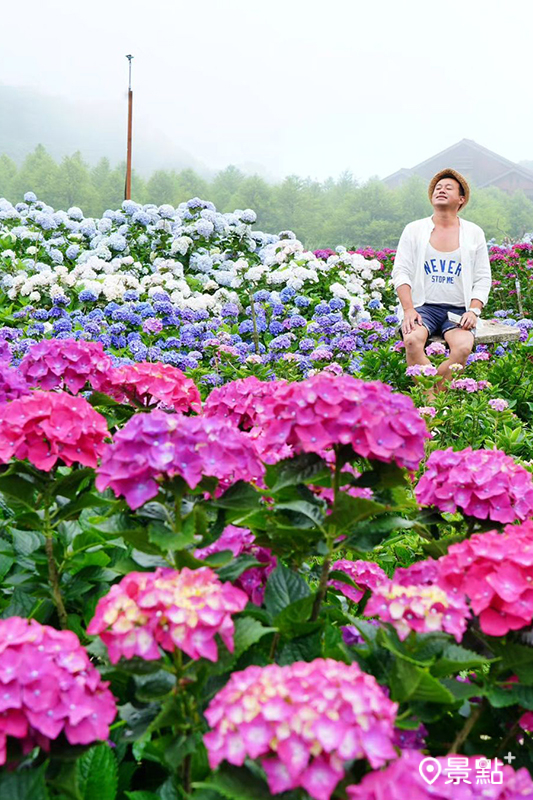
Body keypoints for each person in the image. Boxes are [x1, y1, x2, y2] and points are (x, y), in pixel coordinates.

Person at [392, 168, 491, 386]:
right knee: (412, 340)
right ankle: (433, 406)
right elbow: (401, 271)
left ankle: (432, 399)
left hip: (458, 310)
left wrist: (473, 311)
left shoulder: (474, 232)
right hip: (422, 307)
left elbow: (483, 277)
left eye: (448, 188)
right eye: (437, 188)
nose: (441, 190)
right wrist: (409, 309)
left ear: (461, 199)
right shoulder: (414, 229)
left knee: (463, 348)